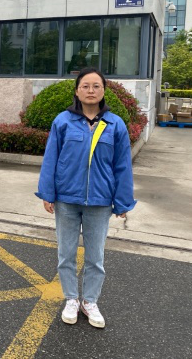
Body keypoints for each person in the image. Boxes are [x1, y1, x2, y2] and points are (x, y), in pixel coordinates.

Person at [35, 67, 136, 328]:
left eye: (96, 86)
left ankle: (89, 301)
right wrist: (47, 193)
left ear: (103, 91)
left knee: (95, 257)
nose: (91, 91)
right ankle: (71, 298)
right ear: (77, 91)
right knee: (66, 254)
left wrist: (122, 201)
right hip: (66, 200)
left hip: (100, 202)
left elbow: (122, 165)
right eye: (85, 86)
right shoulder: (63, 121)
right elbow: (51, 158)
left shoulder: (115, 124)